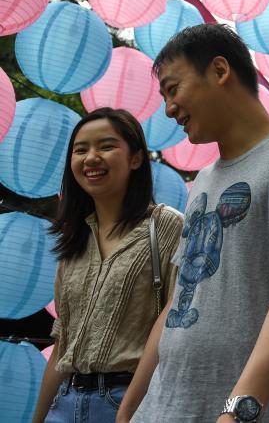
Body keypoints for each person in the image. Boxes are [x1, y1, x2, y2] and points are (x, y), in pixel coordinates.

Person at [117, 24, 269, 423]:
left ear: (220, 70)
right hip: (165, 408)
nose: (169, 109)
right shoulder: (202, 179)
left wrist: (237, 413)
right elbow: (179, 299)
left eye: (173, 89)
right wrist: (130, 409)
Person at [31, 109, 183, 423]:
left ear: (136, 159)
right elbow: (63, 344)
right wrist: (39, 417)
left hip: (130, 403)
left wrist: (127, 411)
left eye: (106, 146)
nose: (91, 157)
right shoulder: (75, 238)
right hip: (65, 403)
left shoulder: (165, 225)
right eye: (81, 149)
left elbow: (176, 321)